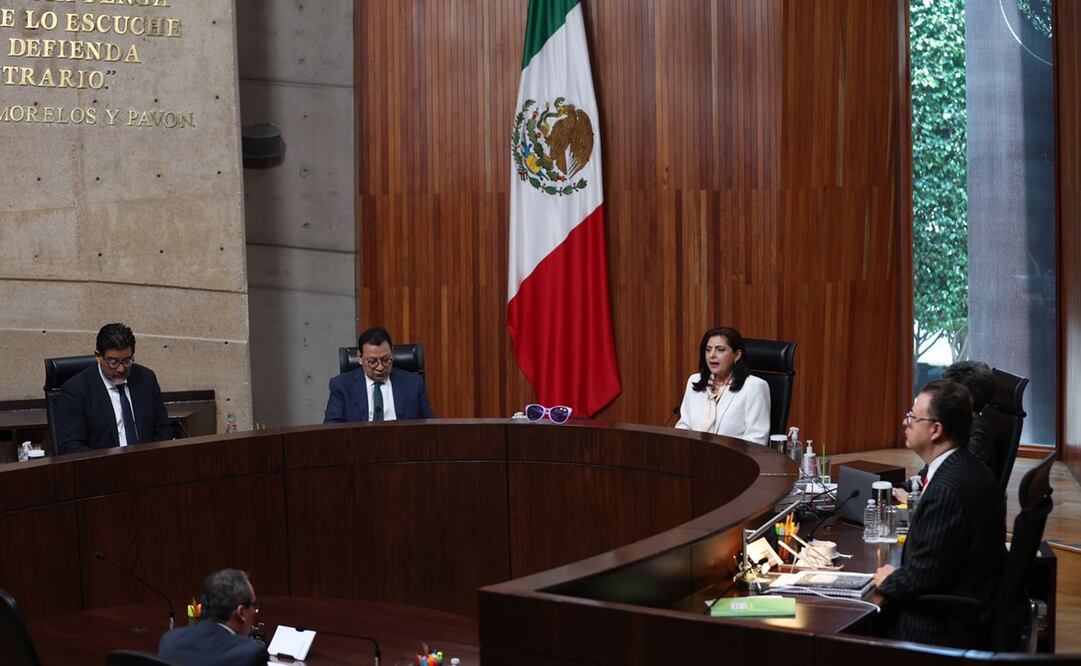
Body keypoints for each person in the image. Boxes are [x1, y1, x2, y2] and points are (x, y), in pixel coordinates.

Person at [873, 379, 1006, 648]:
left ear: (936, 430)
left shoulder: (946, 489)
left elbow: (923, 577)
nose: (905, 422)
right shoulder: (969, 468)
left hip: (939, 629)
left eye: (912, 417)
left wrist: (889, 579)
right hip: (970, 606)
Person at [53, 323, 173, 455]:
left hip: (147, 466)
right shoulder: (76, 390)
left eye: (127, 361)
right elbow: (71, 446)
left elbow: (163, 429)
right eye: (113, 362)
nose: (121, 369)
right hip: (101, 469)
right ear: (98, 356)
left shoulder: (146, 379)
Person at [894, 359, 997, 503]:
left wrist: (911, 500)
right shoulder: (955, 423)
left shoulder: (976, 435)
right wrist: (900, 488)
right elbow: (930, 471)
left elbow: (955, 486)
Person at [674, 327, 770, 445]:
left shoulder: (754, 387)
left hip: (733, 460)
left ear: (737, 355)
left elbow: (756, 440)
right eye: (708, 350)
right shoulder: (695, 381)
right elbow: (684, 426)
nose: (712, 355)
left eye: (720, 350)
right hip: (694, 457)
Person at [324, 326, 435, 422]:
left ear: (392, 353)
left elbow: (430, 425)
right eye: (372, 362)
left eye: (386, 360)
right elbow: (332, 429)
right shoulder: (341, 386)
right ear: (359, 357)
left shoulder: (414, 383)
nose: (380, 367)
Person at [158, 569, 267, 666]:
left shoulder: (170, 640)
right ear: (241, 612)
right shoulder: (250, 655)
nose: (254, 610)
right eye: (254, 605)